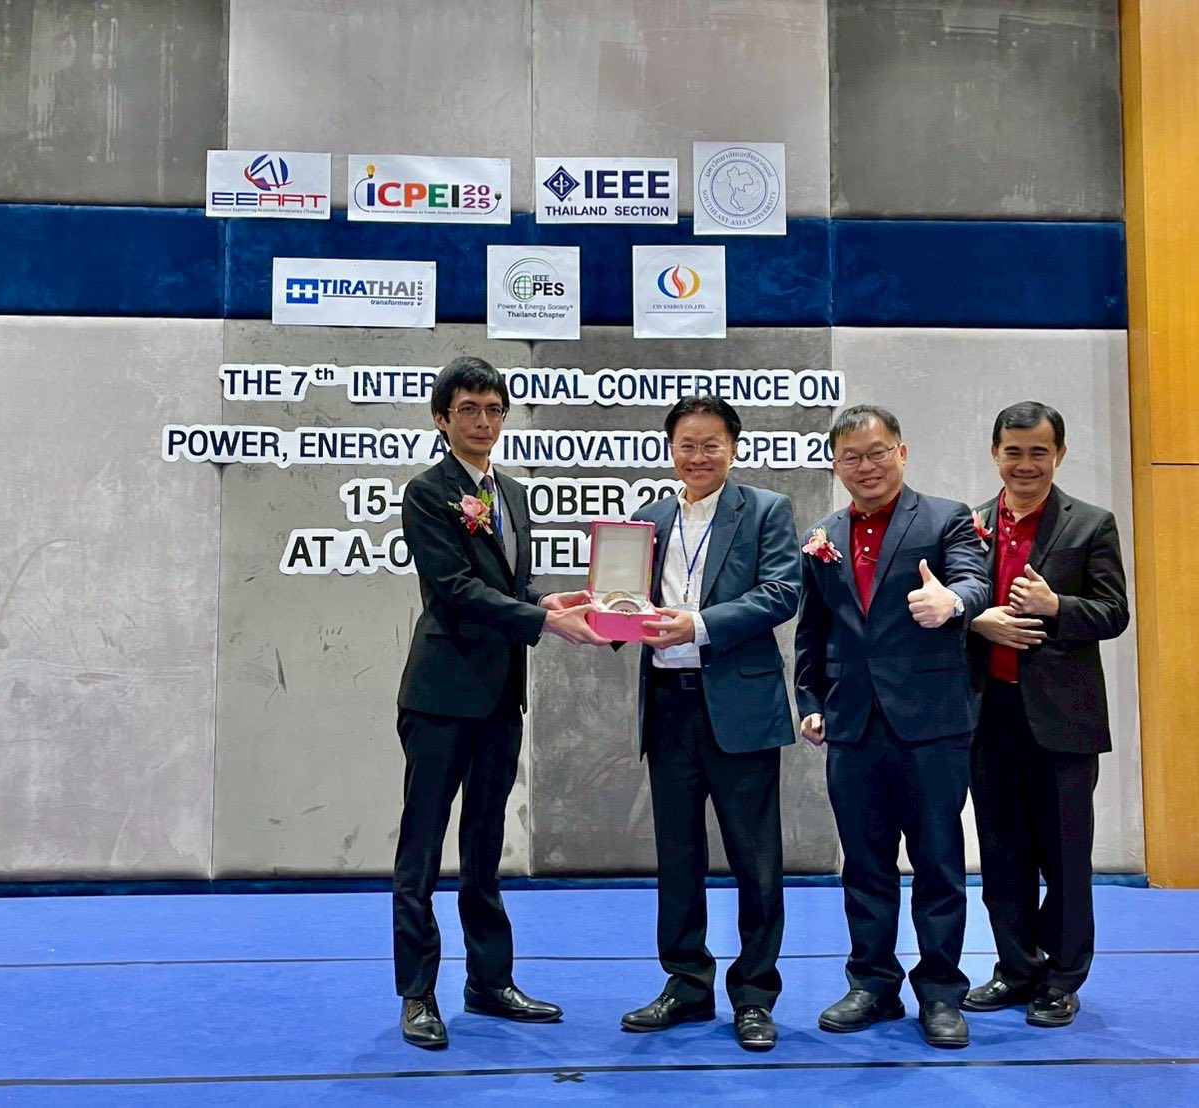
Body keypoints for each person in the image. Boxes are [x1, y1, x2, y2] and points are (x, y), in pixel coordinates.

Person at [392, 356, 608, 1050]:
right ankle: (417, 993)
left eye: (493, 410)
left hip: (498, 696)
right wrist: (545, 621)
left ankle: (489, 981)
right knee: (422, 847)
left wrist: (548, 598)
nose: (483, 422)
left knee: (485, 842)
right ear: (441, 419)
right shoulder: (427, 493)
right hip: (440, 694)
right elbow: (454, 589)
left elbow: (506, 587)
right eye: (468, 410)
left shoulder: (511, 492)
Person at [793, 404, 990, 1049]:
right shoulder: (821, 535)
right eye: (850, 457)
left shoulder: (946, 518)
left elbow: (975, 581)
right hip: (852, 725)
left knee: (938, 862)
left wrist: (951, 601)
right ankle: (872, 984)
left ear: (901, 452)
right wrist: (811, 698)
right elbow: (814, 630)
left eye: (877, 452)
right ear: (835, 466)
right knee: (864, 864)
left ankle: (941, 993)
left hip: (932, 723)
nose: (866, 466)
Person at [616, 395, 801, 1052]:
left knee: (756, 859)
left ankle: (754, 994)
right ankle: (686, 984)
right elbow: (626, 599)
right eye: (686, 445)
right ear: (670, 450)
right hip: (669, 705)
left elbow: (781, 592)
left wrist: (697, 623)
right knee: (677, 856)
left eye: (710, 444)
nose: (697, 457)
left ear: (733, 448)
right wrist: (612, 615)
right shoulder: (649, 518)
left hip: (738, 707)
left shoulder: (766, 510)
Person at [962, 401, 1129, 1028]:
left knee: (1065, 857)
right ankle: (1015, 968)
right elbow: (953, 606)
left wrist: (1057, 605)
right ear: (995, 453)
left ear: (1059, 454)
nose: (1025, 464)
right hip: (988, 715)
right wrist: (976, 622)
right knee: (1001, 853)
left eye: (1038, 452)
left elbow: (1113, 613)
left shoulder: (1091, 524)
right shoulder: (970, 524)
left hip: (1063, 720)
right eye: (1013, 451)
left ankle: (1062, 977)